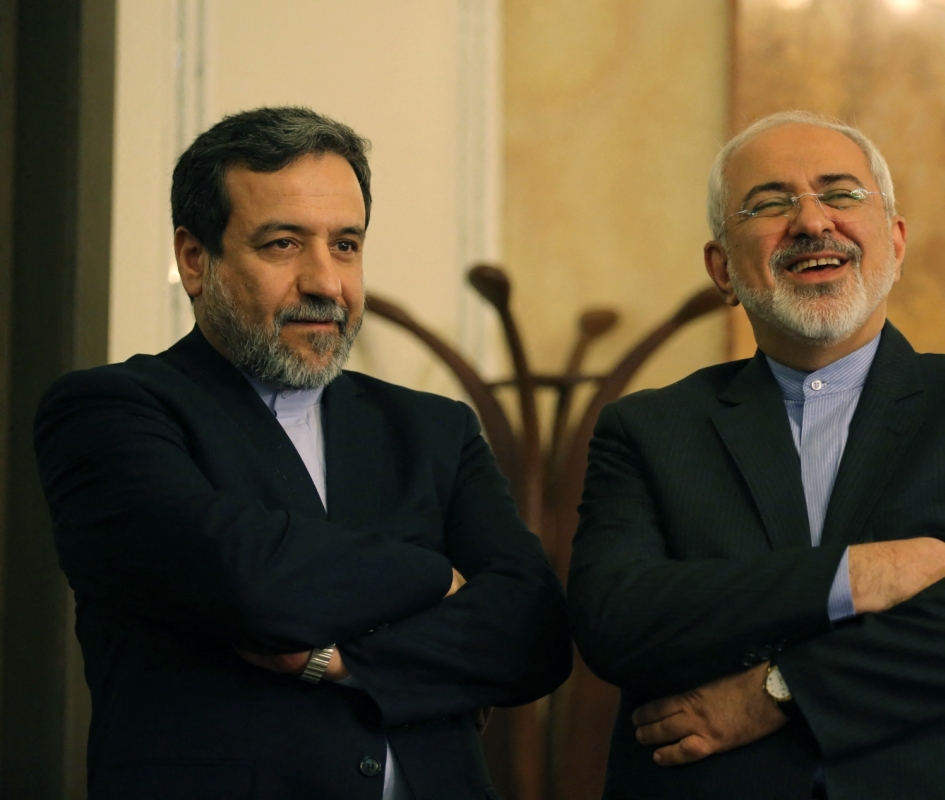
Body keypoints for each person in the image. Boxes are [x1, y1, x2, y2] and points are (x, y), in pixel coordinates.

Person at [35, 106, 571, 800]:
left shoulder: (433, 430)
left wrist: (343, 660)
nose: (327, 282)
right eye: (284, 244)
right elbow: (247, 577)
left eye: (345, 245)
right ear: (195, 259)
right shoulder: (109, 412)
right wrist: (439, 580)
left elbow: (535, 633)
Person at [568, 110, 945, 800]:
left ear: (897, 241)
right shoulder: (648, 430)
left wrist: (780, 692)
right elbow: (618, 620)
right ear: (721, 269)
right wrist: (857, 574)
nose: (812, 222)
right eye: (768, 203)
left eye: (842, 194)